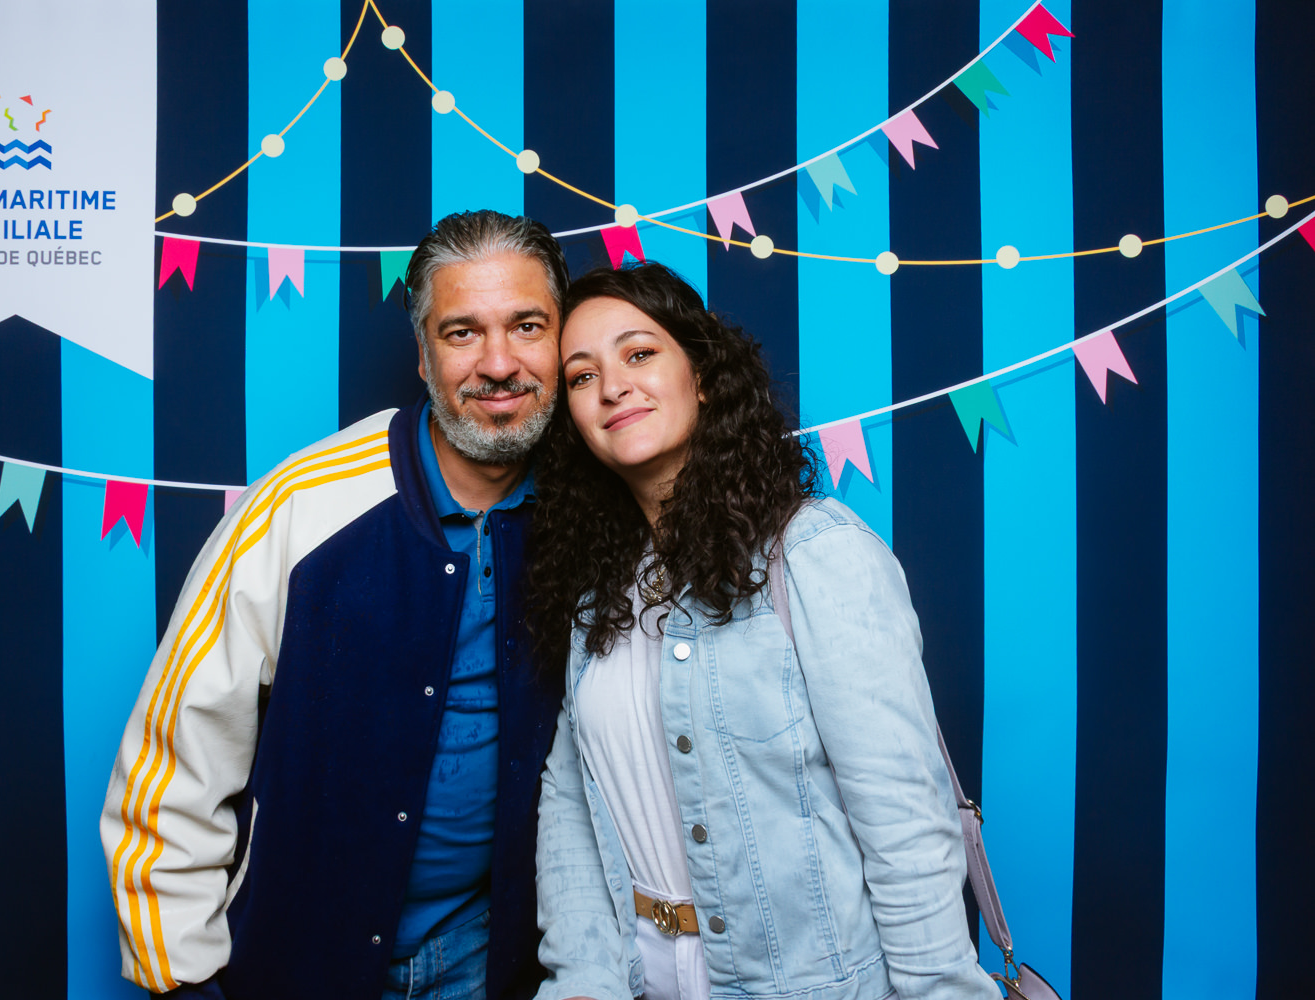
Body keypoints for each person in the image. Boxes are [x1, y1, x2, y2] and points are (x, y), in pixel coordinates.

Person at [100, 210, 569, 1000]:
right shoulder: (302, 505)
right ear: (422, 355)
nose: (499, 364)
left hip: (496, 962)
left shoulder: (593, 512)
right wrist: (181, 979)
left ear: (562, 340)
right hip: (300, 962)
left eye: (527, 326)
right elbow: (174, 756)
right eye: (461, 333)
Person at [526, 261, 997, 1000]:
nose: (612, 386)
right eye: (582, 376)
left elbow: (906, 824)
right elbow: (573, 806)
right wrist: (580, 978)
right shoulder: (597, 595)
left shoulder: (814, 553)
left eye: (639, 353)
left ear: (704, 378)